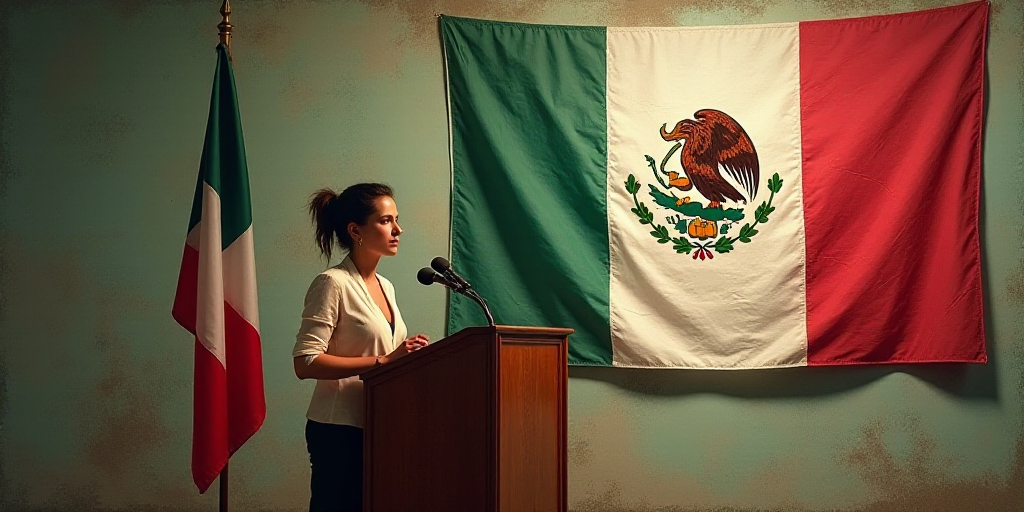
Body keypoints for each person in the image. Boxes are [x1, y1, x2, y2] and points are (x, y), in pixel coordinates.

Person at [292, 183, 429, 512]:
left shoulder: (386, 286)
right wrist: (384, 361)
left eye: (396, 219)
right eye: (385, 221)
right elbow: (305, 362)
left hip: (382, 424)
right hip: (338, 430)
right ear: (356, 230)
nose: (398, 229)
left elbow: (390, 354)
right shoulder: (332, 283)